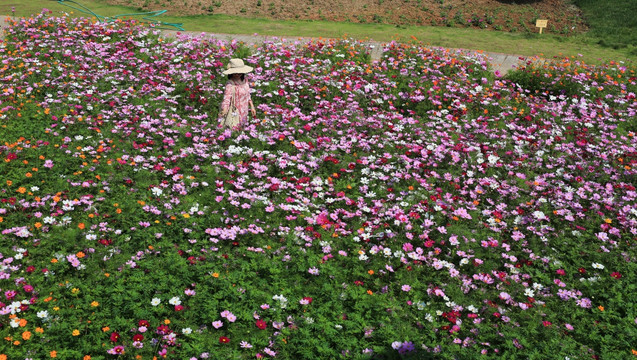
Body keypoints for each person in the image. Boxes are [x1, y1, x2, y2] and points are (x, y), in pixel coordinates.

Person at [219, 58, 256, 129]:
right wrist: (224, 110)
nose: (237, 74)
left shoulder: (245, 81)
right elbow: (227, 98)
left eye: (239, 72)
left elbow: (248, 95)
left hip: (245, 110)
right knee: (234, 129)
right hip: (235, 111)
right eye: (235, 72)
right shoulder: (230, 83)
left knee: (243, 128)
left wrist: (252, 106)